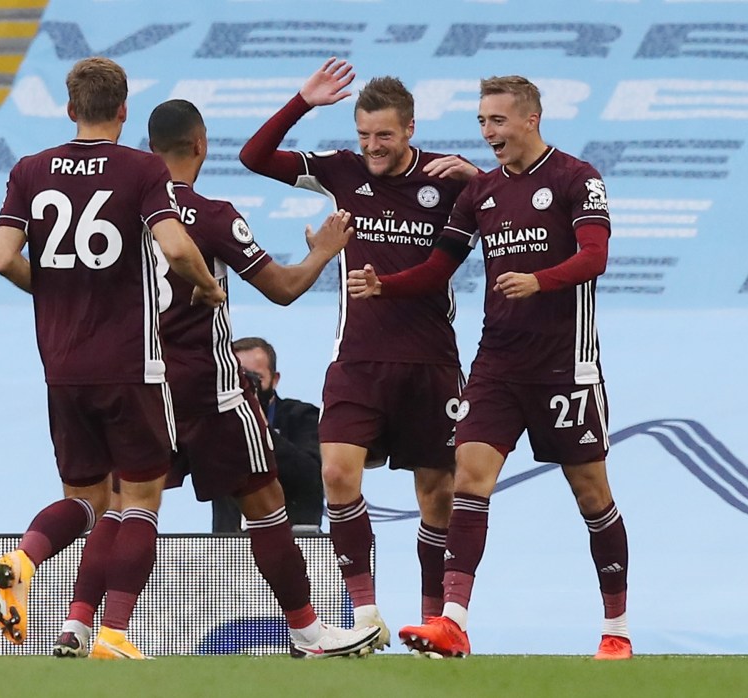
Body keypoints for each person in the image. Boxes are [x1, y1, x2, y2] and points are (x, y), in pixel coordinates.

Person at [52, 98, 381, 660]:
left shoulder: (119, 212)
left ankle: (82, 625)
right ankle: (308, 632)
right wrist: (325, 252)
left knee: (127, 506)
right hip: (212, 391)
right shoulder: (209, 212)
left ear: (147, 148)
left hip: (139, 384)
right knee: (265, 502)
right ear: (201, 144)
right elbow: (280, 287)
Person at [348, 75, 632, 660]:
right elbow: (437, 268)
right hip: (496, 363)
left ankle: (617, 627)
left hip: (564, 367)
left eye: (497, 121)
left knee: (591, 495)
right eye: (481, 121)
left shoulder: (578, 178)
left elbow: (595, 256)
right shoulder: (480, 194)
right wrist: (386, 286)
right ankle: (453, 621)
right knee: (469, 479)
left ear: (531, 119)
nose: (487, 132)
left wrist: (539, 280)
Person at [0, 57, 225, 659]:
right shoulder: (142, 168)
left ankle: (25, 556)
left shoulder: (29, 170)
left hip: (61, 367)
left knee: (85, 501)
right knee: (140, 500)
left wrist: (51, 287)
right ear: (123, 110)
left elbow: (1, 258)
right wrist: (206, 284)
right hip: (130, 364)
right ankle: (115, 634)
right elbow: (175, 246)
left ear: (69, 109)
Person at [240, 57, 478, 648]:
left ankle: (433, 622)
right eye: (364, 134)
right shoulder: (343, 172)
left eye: (384, 136)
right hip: (358, 360)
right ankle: (366, 616)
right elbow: (254, 158)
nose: (372, 146)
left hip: (431, 361)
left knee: (439, 495)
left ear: (410, 131)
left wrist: (478, 177)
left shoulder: (447, 177)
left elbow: (514, 203)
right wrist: (302, 102)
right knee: (337, 472)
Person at [211, 337, 324, 533]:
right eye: (238, 379)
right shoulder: (217, 423)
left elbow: (311, 475)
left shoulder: (303, 417)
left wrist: (260, 428)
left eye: (255, 378)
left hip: (297, 540)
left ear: (275, 379)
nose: (246, 388)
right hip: (229, 547)